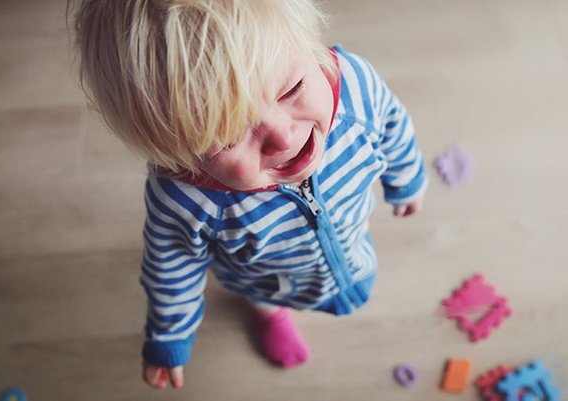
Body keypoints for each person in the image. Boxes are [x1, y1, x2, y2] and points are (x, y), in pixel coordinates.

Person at [73, 0, 427, 390]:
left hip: (350, 232)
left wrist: (406, 177)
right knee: (266, 296)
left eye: (291, 89)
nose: (282, 135)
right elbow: (170, 267)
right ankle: (270, 314)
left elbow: (392, 121)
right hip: (264, 278)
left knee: (345, 245)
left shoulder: (355, 88)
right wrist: (169, 337)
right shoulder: (185, 201)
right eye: (229, 135)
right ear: (179, 155)